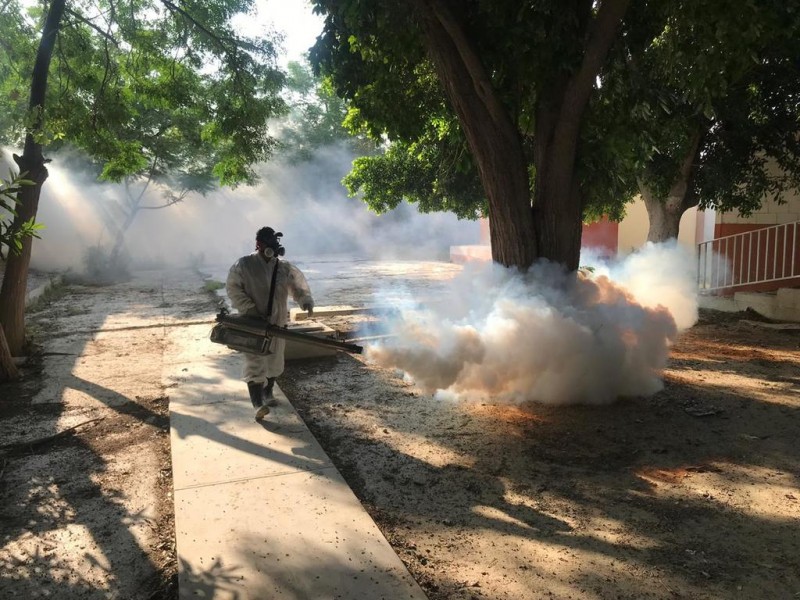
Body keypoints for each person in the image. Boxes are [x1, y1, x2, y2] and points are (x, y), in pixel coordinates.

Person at [226, 227, 314, 420]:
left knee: (275, 360)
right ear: (258, 244)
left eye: (274, 244)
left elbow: (297, 287)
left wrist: (305, 301)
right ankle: (257, 404)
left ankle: (268, 392)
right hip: (253, 322)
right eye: (268, 244)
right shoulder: (244, 265)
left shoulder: (282, 267)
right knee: (255, 361)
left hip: (277, 321)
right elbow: (233, 288)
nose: (272, 248)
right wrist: (248, 308)